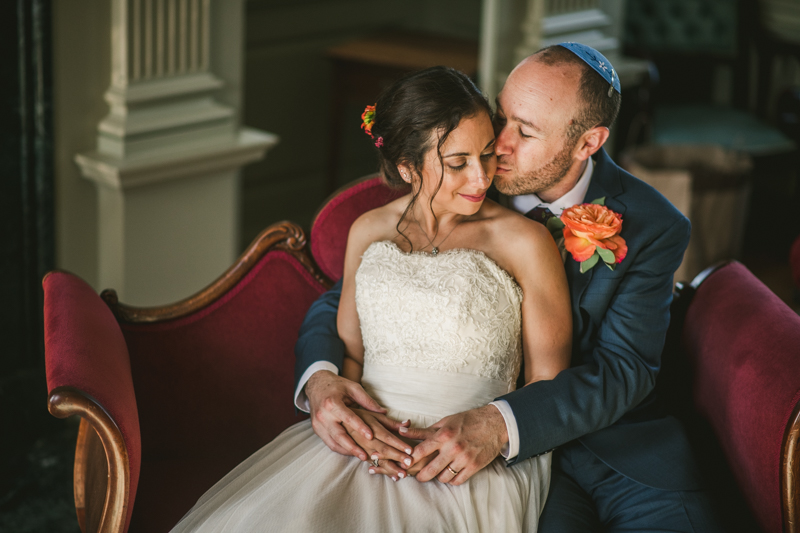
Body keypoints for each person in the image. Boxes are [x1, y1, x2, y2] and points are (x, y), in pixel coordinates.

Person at [295, 43, 725, 532]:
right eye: (501, 115)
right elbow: (353, 294)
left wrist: (501, 424)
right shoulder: (462, 177)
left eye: (525, 131)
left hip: (619, 451)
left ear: (588, 142)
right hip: (489, 464)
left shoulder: (653, 224)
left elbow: (624, 368)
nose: (498, 144)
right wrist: (320, 378)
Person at [171, 66, 572, 532]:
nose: (482, 177)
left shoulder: (525, 242)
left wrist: (489, 435)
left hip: (470, 458)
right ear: (407, 166)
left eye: (486, 154)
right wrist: (354, 428)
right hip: (367, 445)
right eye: (458, 162)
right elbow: (353, 359)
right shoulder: (367, 232)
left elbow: (549, 382)